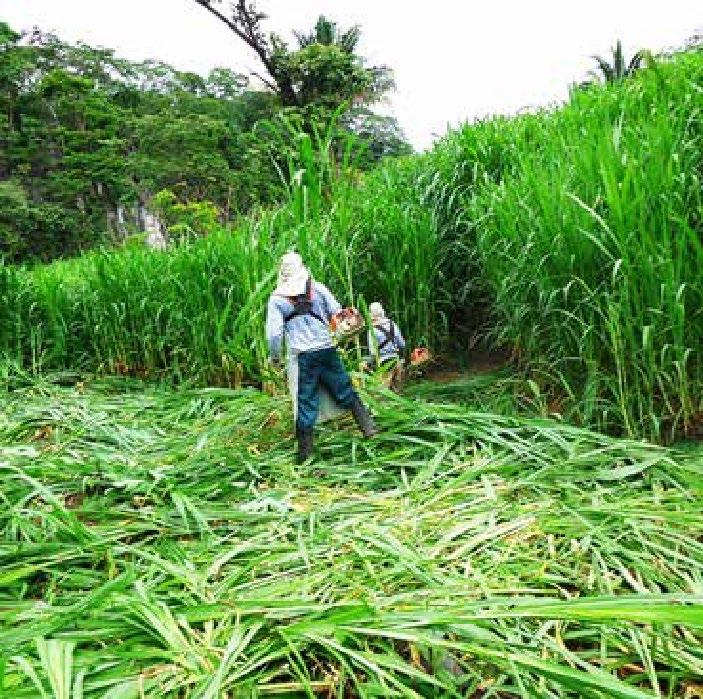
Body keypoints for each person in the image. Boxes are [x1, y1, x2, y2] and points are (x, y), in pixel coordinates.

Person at [266, 252, 378, 462]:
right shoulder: (317, 288)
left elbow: (274, 335)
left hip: (304, 357)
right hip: (327, 350)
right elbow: (337, 312)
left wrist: (275, 358)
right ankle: (369, 428)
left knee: (306, 402)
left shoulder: (277, 300)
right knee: (344, 388)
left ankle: (305, 455)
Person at [368, 302, 406, 392]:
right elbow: (402, 344)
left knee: (385, 393)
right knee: (399, 393)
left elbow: (373, 353)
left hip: (383, 364)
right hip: (396, 361)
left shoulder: (372, 330)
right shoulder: (392, 324)